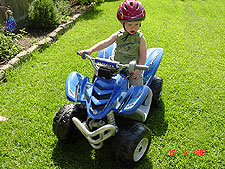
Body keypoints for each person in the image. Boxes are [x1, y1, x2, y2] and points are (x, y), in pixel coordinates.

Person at [79, 0, 146, 86]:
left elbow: (143, 55)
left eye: (136, 24)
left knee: (136, 86)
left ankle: (137, 96)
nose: (133, 27)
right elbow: (105, 43)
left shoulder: (140, 38)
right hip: (115, 63)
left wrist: (138, 70)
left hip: (132, 67)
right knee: (99, 71)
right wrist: (90, 50)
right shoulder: (118, 35)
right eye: (130, 25)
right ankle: (97, 90)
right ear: (123, 23)